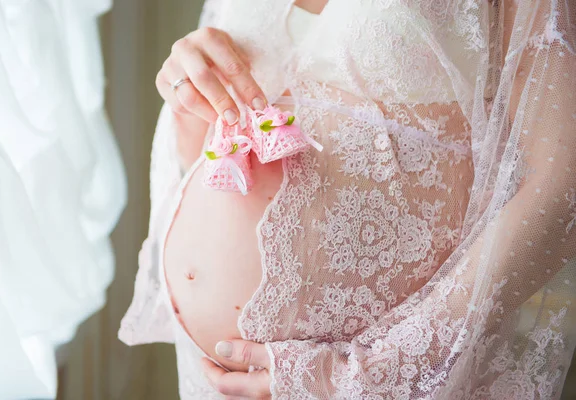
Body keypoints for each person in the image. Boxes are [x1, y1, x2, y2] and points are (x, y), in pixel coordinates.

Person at [120, 0, 576, 398]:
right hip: (212, 376)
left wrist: (380, 371)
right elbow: (206, 149)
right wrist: (188, 90)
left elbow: (562, 182)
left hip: (373, 371)